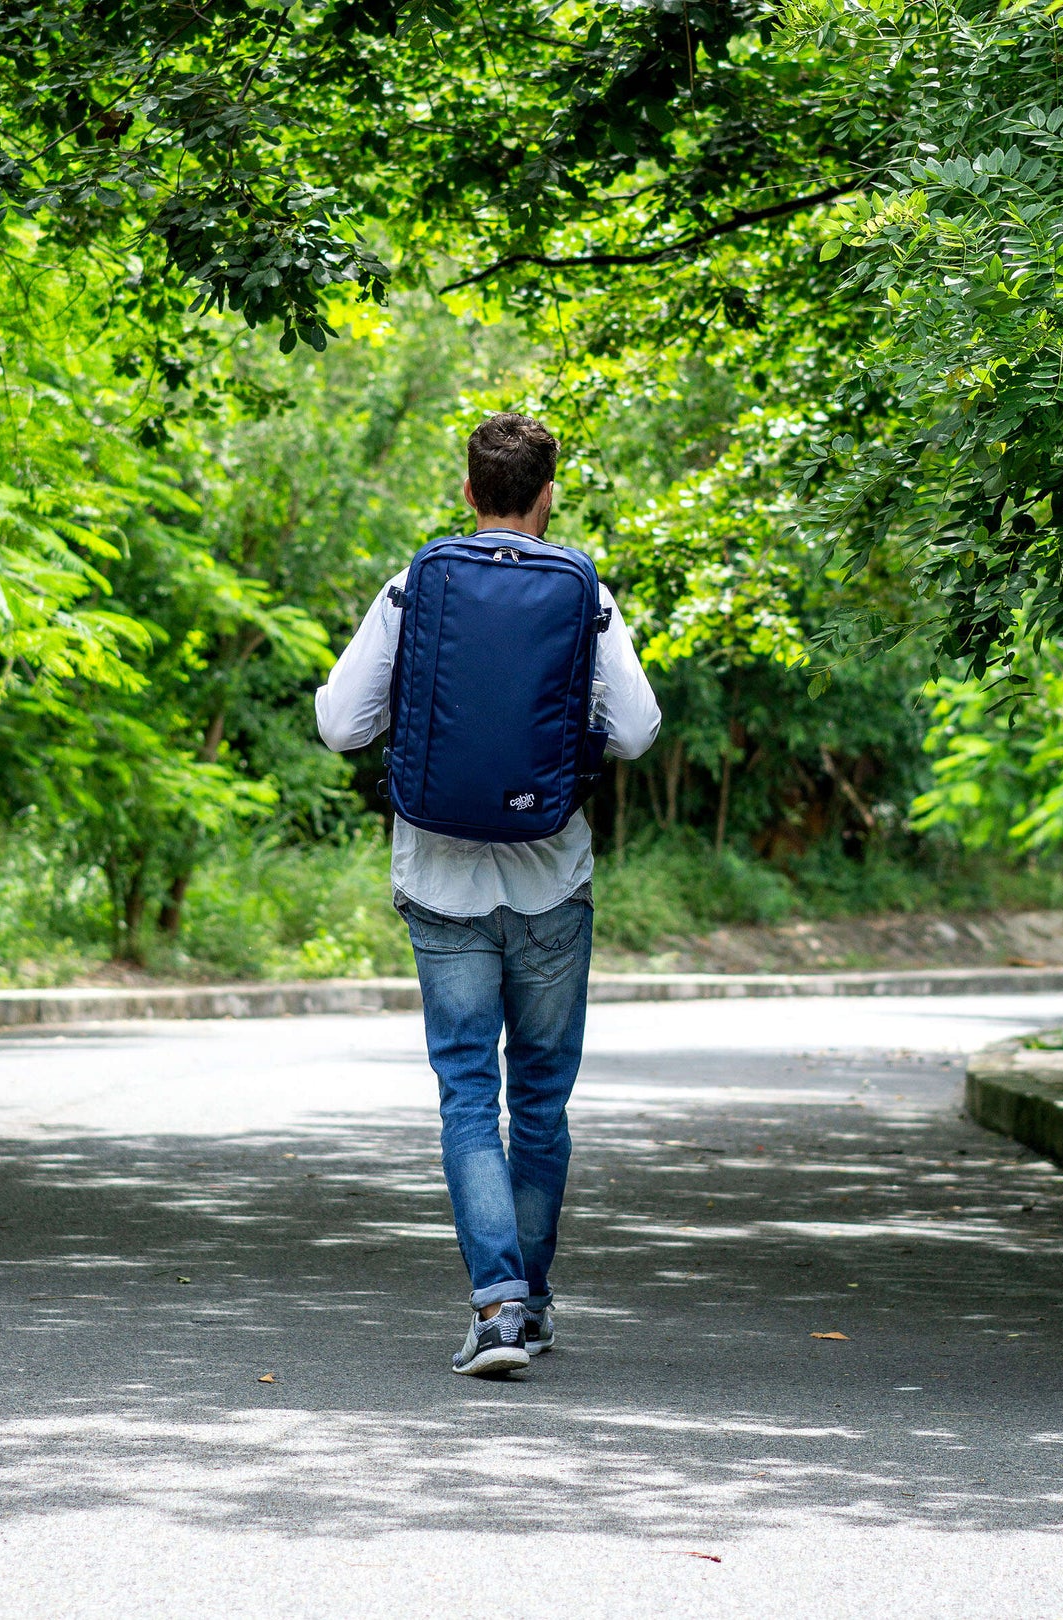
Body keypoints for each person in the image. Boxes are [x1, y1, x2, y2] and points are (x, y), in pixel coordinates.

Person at [315, 412, 660, 1375]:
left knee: (468, 1096)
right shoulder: (585, 596)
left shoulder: (410, 587)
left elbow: (343, 725)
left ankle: (499, 1307)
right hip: (554, 879)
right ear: (547, 495)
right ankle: (533, 1305)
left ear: (467, 493)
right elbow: (634, 732)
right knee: (540, 1105)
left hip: (439, 880)